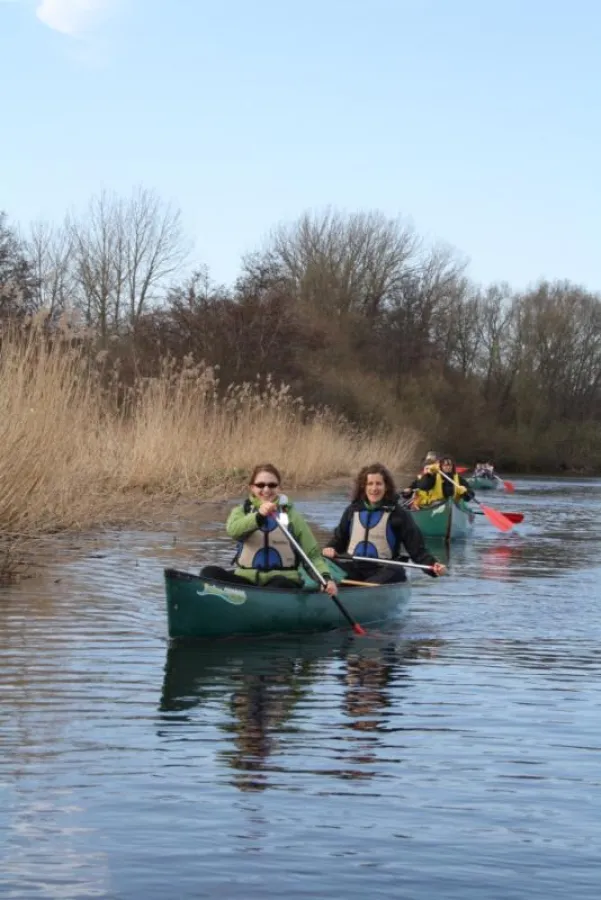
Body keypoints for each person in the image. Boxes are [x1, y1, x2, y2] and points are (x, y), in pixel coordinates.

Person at [205, 463, 338, 596]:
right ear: (252, 488)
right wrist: (259, 516)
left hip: (283, 581)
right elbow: (233, 531)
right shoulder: (241, 511)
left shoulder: (292, 516)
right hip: (246, 580)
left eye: (272, 485)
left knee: (279, 584)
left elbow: (312, 555)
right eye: (260, 485)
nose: (266, 489)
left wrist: (326, 579)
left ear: (279, 488)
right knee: (209, 573)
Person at [322, 462, 446, 584]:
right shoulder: (352, 511)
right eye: (370, 484)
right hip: (354, 569)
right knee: (322, 562)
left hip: (383, 570)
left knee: (397, 570)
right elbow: (339, 539)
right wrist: (330, 548)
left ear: (386, 487)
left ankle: (362, 591)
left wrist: (433, 566)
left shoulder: (398, 514)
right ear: (363, 487)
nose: (374, 488)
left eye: (378, 484)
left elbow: (417, 551)